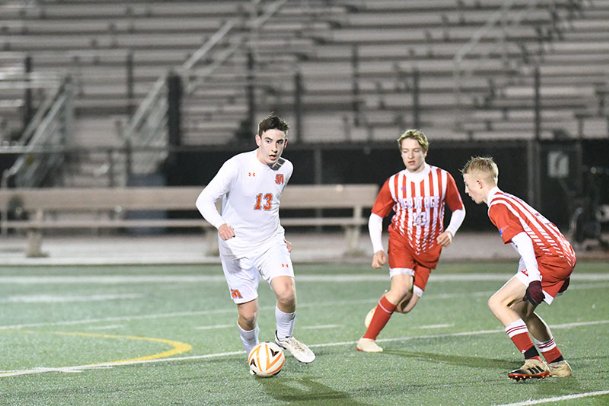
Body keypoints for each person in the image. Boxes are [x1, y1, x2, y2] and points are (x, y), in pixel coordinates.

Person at [196, 114, 315, 364]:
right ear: (258, 139)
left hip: (270, 242)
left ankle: (284, 337)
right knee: (248, 315)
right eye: (269, 140)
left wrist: (279, 235)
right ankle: (253, 351)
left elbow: (270, 206)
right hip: (236, 248)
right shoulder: (236, 166)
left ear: (285, 144)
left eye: (279, 142)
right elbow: (203, 200)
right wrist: (221, 224)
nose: (274, 148)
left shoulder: (286, 168)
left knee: (287, 293)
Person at [461, 156, 575, 381]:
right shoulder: (508, 200)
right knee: (522, 312)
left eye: (467, 184)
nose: (466, 191)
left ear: (480, 184)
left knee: (497, 302)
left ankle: (532, 360)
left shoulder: (497, 207)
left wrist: (533, 279)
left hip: (550, 260)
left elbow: (523, 242)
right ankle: (558, 364)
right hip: (562, 256)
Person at [356, 129, 466, 352]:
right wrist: (377, 248)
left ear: (425, 151)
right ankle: (366, 339)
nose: (411, 156)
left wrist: (451, 231)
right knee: (402, 287)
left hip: (429, 247)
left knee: (405, 306)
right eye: (405, 151)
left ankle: (383, 306)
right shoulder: (394, 182)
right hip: (402, 241)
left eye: (415, 150)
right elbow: (376, 216)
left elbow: (459, 210)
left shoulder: (443, 178)